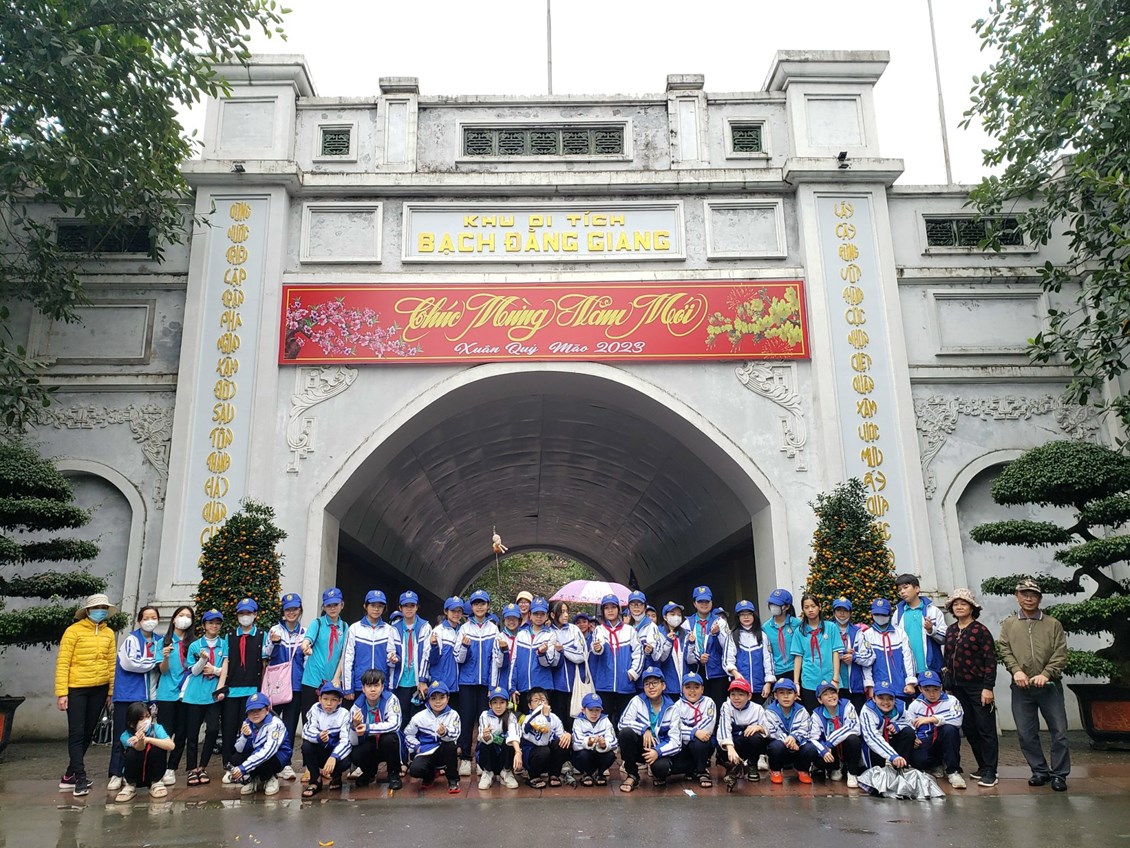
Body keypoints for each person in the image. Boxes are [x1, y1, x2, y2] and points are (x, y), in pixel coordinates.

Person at [999, 577, 1070, 792]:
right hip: (1022, 687)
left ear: (1040, 598)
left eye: (1033, 595)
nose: (1029, 599)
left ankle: (1059, 774)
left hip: (1049, 686)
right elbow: (1005, 650)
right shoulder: (1009, 624)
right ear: (1017, 597)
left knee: (1059, 731)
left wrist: (1046, 674)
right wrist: (1016, 671)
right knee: (1026, 732)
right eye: (1024, 594)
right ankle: (1039, 770)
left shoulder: (1052, 624)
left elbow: (1061, 652)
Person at [55, 594, 117, 797]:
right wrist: (62, 693)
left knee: (89, 732)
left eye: (104, 608)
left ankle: (69, 775)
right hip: (77, 688)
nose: (101, 611)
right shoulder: (73, 631)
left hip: (99, 688)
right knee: (77, 732)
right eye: (97, 607)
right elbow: (63, 662)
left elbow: (111, 663)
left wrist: (111, 691)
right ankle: (80, 777)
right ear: (88, 611)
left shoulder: (108, 633)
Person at [942, 587, 999, 787]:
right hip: (958, 688)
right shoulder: (951, 630)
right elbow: (947, 659)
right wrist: (948, 685)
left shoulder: (980, 630)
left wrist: (988, 687)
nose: (959, 607)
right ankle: (982, 766)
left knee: (985, 728)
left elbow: (990, 660)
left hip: (978, 687)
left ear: (972, 607)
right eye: (955, 604)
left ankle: (991, 770)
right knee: (969, 727)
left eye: (963, 604)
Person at [108, 605, 161, 792]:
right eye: (146, 618)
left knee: (144, 737)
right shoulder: (131, 640)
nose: (150, 621)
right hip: (127, 695)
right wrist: (155, 661)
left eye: (153, 618)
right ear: (139, 621)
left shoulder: (160, 641)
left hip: (148, 696)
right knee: (121, 735)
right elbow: (129, 663)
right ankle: (116, 773)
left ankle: (135, 775)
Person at [221, 598, 268, 780]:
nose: (245, 616)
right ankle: (229, 766)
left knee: (248, 731)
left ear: (255, 614)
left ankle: (246, 766)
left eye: (248, 613)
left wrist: (263, 690)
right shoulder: (230, 635)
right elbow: (226, 661)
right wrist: (221, 687)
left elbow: (264, 663)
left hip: (252, 691)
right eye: (242, 613)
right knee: (228, 729)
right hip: (232, 690)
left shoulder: (262, 635)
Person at [617, 666, 681, 791]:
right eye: (647, 684)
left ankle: (658, 772)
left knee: (661, 769)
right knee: (625, 733)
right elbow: (622, 723)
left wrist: (657, 751)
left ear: (663, 685)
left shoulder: (672, 708)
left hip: (659, 749)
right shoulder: (637, 701)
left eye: (655, 683)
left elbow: (676, 742)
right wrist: (644, 729)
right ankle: (632, 775)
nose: (651, 687)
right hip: (641, 748)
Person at [183, 609, 228, 786]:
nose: (214, 626)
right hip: (195, 695)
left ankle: (203, 766)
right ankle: (191, 769)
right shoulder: (195, 645)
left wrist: (215, 670)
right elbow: (193, 671)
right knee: (192, 733)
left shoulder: (224, 644)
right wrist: (202, 661)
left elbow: (227, 668)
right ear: (203, 625)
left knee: (212, 730)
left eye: (217, 623)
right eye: (210, 622)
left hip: (213, 695)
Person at [455, 589, 498, 775]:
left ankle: (481, 759)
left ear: (487, 606)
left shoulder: (493, 629)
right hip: (467, 682)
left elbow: (496, 660)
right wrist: (465, 646)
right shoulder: (465, 628)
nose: (479, 607)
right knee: (466, 720)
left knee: (484, 721)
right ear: (471, 607)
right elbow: (458, 657)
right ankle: (465, 758)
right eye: (476, 604)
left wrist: (493, 685)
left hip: (485, 684)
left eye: (482, 603)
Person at [266, 593, 306, 781]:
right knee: (272, 724)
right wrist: (274, 643)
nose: (291, 613)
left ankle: (286, 763)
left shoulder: (305, 633)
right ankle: (269, 759)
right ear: (282, 611)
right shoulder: (275, 630)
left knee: (290, 726)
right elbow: (265, 654)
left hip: (296, 686)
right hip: (276, 687)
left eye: (295, 609)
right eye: (288, 609)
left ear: (300, 610)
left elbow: (307, 661)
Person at [154, 605, 195, 787]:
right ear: (173, 619)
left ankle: (171, 768)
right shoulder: (163, 642)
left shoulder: (194, 643)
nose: (184, 619)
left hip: (187, 694)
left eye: (188, 616)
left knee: (181, 733)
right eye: (181, 615)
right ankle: (159, 767)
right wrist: (165, 657)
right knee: (164, 732)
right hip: (167, 694)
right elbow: (163, 671)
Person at [590, 593, 643, 727]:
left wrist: (632, 673)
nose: (610, 610)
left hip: (625, 684)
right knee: (604, 721)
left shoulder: (629, 630)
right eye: (606, 608)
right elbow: (597, 647)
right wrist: (597, 648)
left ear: (618, 609)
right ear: (603, 611)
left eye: (613, 607)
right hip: (604, 684)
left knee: (625, 721)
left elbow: (639, 653)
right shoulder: (599, 630)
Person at [907, 669, 966, 788]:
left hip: (943, 737)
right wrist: (914, 738)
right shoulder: (915, 705)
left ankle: (953, 771)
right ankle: (935, 764)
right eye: (927, 690)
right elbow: (909, 724)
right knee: (919, 760)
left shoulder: (951, 700)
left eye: (936, 689)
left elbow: (958, 719)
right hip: (926, 740)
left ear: (941, 687)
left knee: (950, 730)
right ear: (920, 689)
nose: (932, 694)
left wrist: (933, 719)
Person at [341, 590, 401, 701]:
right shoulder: (354, 628)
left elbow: (392, 659)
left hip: (381, 686)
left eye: (380, 606)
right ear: (365, 606)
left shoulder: (389, 630)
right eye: (373, 605)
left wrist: (393, 659)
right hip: (360, 686)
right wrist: (348, 688)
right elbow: (347, 660)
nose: (376, 609)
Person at [403, 680, 462, 793]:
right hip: (425, 751)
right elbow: (408, 734)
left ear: (448, 698)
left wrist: (444, 733)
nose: (438, 702)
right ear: (428, 700)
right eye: (433, 698)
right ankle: (430, 776)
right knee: (415, 770)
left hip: (443, 751)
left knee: (450, 746)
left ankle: (453, 779)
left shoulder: (453, 715)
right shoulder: (419, 717)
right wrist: (417, 747)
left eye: (442, 697)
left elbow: (455, 734)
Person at [803, 680, 863, 788]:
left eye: (833, 692)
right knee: (816, 755)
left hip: (845, 747)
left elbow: (854, 726)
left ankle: (852, 773)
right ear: (820, 700)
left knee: (853, 739)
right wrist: (824, 750)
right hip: (830, 751)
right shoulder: (817, 714)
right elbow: (813, 738)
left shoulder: (847, 706)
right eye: (825, 694)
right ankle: (835, 768)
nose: (831, 696)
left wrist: (830, 742)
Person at [349, 668, 403, 789]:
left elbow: (395, 725)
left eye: (376, 685)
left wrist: (368, 727)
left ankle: (393, 774)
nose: (373, 689)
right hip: (370, 743)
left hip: (386, 743)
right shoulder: (356, 707)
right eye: (369, 686)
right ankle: (369, 772)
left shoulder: (391, 699)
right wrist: (354, 727)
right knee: (356, 754)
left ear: (382, 687)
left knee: (389, 739)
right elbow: (352, 741)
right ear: (363, 688)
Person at [229, 692, 291, 796]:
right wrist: (246, 737)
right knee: (236, 758)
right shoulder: (247, 723)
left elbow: (269, 751)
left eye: (259, 710)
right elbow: (239, 749)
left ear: (267, 710)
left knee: (266, 760)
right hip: (257, 754)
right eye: (251, 711)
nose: (255, 714)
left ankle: (271, 778)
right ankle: (254, 778)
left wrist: (243, 768)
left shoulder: (275, 724)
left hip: (276, 756)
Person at [299, 588, 348, 717]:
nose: (332, 608)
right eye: (329, 605)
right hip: (312, 680)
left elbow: (344, 655)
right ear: (324, 607)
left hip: (332, 681)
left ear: (342, 605)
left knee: (331, 720)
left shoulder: (344, 627)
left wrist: (337, 677)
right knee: (309, 719)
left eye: (335, 604)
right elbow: (307, 639)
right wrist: (305, 647)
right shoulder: (317, 623)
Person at [114, 701, 175, 802]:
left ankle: (156, 782)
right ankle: (130, 785)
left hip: (153, 772)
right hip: (135, 773)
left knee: (157, 747)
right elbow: (139, 748)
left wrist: (148, 739)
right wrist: (141, 740)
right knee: (131, 752)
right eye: (141, 719)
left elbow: (171, 745)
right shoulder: (125, 735)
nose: (146, 721)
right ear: (131, 723)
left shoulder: (156, 728)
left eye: (147, 716)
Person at [300, 681, 353, 797]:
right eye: (325, 699)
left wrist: (334, 756)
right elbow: (306, 731)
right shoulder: (315, 709)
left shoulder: (344, 714)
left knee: (346, 761)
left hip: (334, 752)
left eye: (334, 700)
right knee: (306, 746)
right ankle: (315, 780)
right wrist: (318, 737)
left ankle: (336, 776)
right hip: (320, 750)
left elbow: (346, 741)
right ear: (320, 699)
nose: (329, 703)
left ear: (340, 701)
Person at [716, 678, 769, 790]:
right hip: (733, 743)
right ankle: (731, 766)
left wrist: (759, 727)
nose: (736, 698)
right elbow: (724, 728)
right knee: (721, 746)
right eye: (733, 694)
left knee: (756, 737)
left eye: (741, 694)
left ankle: (752, 765)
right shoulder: (726, 706)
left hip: (747, 744)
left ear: (749, 696)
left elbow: (769, 729)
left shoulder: (757, 708)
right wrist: (730, 747)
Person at [791, 594, 842, 711]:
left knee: (832, 712)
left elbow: (835, 653)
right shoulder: (799, 631)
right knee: (812, 713)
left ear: (819, 607)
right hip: (809, 680)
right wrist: (796, 682)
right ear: (803, 610)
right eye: (806, 607)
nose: (810, 610)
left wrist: (835, 679)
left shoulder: (831, 627)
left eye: (813, 606)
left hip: (829, 679)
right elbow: (798, 657)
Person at [858, 598, 916, 700]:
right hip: (879, 690)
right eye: (877, 614)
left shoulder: (900, 633)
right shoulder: (867, 635)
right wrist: (870, 685)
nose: (880, 617)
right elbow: (866, 664)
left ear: (889, 614)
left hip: (901, 688)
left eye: (883, 614)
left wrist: (910, 682)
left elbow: (908, 659)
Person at [892, 573, 947, 677]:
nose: (902, 592)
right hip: (907, 671)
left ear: (917, 589)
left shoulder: (933, 611)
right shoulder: (897, 614)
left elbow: (944, 638)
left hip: (931, 669)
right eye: (899, 590)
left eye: (905, 587)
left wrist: (931, 630)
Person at [507, 597, 559, 707]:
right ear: (530, 615)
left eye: (542, 614)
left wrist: (541, 653)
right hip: (523, 687)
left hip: (543, 688)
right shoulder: (521, 634)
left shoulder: (550, 635)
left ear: (546, 616)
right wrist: (512, 687)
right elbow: (514, 662)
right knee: (524, 717)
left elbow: (548, 662)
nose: (539, 617)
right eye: (536, 614)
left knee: (543, 717)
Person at [390, 590, 431, 726]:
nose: (409, 609)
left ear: (417, 607)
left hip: (417, 681)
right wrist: (392, 658)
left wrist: (423, 680)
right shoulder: (393, 628)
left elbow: (426, 655)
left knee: (417, 720)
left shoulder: (425, 626)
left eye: (412, 605)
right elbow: (389, 651)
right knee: (401, 718)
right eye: (405, 606)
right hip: (400, 681)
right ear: (400, 608)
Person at [684, 586, 730, 706]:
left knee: (718, 705)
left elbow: (728, 647)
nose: (704, 604)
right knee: (698, 706)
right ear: (694, 603)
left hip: (717, 671)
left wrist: (717, 634)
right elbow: (685, 650)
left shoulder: (720, 622)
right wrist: (698, 658)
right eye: (700, 601)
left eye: (707, 601)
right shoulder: (687, 623)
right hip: (696, 671)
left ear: (711, 603)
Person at [518, 687, 571, 788]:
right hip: (533, 755)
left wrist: (567, 735)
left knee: (563, 742)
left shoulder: (554, 717)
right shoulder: (528, 718)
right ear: (529, 705)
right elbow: (543, 736)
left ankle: (554, 775)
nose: (540, 703)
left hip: (548, 755)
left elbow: (560, 735)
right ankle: (533, 777)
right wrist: (546, 716)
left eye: (543, 700)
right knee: (544, 750)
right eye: (536, 700)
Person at [548, 599, 588, 732]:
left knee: (574, 722)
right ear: (553, 615)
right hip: (555, 686)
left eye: (567, 611)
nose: (566, 615)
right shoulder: (548, 632)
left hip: (575, 685)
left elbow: (582, 655)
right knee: (558, 724)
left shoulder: (574, 629)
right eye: (562, 612)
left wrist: (563, 649)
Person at [763, 679, 813, 784]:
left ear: (795, 696)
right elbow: (771, 732)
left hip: (797, 746)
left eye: (789, 693)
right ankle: (776, 770)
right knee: (774, 746)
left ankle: (803, 770)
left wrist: (794, 737)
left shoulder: (802, 710)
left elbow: (806, 729)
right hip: (781, 746)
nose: (786, 696)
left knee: (810, 748)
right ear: (775, 695)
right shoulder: (769, 711)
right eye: (781, 693)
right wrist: (788, 741)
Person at [724, 600, 775, 701]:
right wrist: (735, 674)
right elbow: (728, 661)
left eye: (749, 614)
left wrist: (768, 683)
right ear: (738, 617)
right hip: (739, 688)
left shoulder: (763, 636)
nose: (746, 617)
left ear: (754, 615)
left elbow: (768, 661)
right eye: (742, 614)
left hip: (759, 688)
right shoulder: (732, 636)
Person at [859, 679, 915, 769]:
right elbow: (871, 737)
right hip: (874, 744)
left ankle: (901, 767)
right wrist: (892, 756)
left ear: (895, 700)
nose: (886, 702)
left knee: (908, 732)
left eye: (890, 698)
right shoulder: (867, 711)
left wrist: (898, 726)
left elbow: (911, 724)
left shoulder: (900, 708)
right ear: (873, 698)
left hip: (892, 741)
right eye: (881, 698)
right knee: (877, 770)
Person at [830, 598, 872, 713]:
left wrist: (854, 657)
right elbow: (824, 653)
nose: (842, 613)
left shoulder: (858, 632)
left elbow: (870, 656)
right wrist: (843, 653)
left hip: (855, 686)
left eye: (845, 610)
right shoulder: (828, 630)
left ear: (850, 613)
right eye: (839, 610)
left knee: (857, 716)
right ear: (834, 612)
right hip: (834, 684)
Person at [476, 685, 521, 790]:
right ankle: (487, 773)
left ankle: (506, 772)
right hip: (489, 758)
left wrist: (518, 752)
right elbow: (481, 735)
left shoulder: (511, 717)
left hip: (503, 758)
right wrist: (486, 736)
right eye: (495, 702)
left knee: (510, 741)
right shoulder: (485, 715)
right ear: (490, 704)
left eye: (502, 702)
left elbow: (514, 734)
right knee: (485, 743)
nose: (498, 706)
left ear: (507, 704)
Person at [571, 693, 617, 786]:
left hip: (599, 755)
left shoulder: (605, 720)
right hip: (585, 756)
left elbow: (614, 741)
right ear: (583, 710)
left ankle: (600, 773)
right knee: (582, 755)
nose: (594, 713)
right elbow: (576, 742)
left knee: (611, 755)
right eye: (591, 710)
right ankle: (587, 774)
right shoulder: (578, 721)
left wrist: (604, 744)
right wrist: (589, 741)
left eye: (597, 710)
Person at [427, 596, 464, 695]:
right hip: (441, 683)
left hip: (458, 684)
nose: (456, 614)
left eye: (459, 611)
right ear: (446, 611)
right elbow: (431, 659)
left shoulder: (463, 631)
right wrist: (434, 646)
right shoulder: (438, 631)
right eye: (453, 611)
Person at [626, 591, 663, 681]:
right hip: (629, 675)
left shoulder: (651, 626)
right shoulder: (627, 628)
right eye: (633, 604)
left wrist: (651, 650)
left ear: (645, 607)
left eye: (639, 604)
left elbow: (658, 655)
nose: (636, 607)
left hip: (647, 676)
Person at [654, 602, 689, 696]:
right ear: (665, 617)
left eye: (679, 615)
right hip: (667, 684)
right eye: (672, 614)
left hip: (685, 683)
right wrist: (669, 641)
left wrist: (692, 643)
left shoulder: (686, 633)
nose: (676, 617)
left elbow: (690, 659)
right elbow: (661, 658)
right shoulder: (658, 633)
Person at [492, 603, 523, 691]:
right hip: (502, 679)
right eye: (508, 618)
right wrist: (504, 650)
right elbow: (497, 663)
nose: (511, 622)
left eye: (514, 618)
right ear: (504, 620)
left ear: (519, 620)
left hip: (520, 679)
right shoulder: (499, 637)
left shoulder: (524, 636)